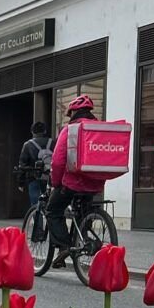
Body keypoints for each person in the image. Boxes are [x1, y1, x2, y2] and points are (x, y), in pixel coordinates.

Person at [47, 95, 107, 267]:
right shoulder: (99, 129)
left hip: (72, 183)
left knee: (53, 210)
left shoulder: (70, 129)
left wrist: (56, 182)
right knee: (83, 212)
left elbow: (58, 161)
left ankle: (65, 246)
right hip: (95, 183)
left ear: (73, 112)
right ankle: (85, 238)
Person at [19, 122, 54, 206]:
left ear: (32, 132)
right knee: (50, 204)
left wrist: (21, 182)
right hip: (50, 177)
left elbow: (22, 165)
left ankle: (38, 218)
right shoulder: (53, 142)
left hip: (33, 177)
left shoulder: (27, 145)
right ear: (45, 131)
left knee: (36, 205)